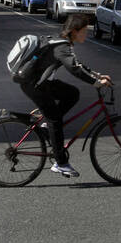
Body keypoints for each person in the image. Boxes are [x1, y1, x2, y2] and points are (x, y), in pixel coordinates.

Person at [20, 14, 111, 178]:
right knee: (55, 119)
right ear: (75, 31)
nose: (86, 33)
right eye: (84, 30)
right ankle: (61, 163)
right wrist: (97, 84)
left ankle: (47, 126)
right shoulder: (62, 46)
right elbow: (75, 69)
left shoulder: (62, 43)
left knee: (72, 93)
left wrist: (98, 75)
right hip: (34, 86)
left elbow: (77, 64)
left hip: (41, 83)